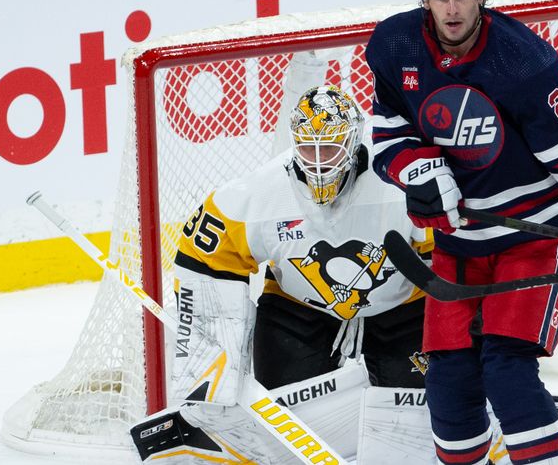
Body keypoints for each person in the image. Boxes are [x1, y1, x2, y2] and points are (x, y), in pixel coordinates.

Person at [365, 0, 558, 464]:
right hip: (459, 243)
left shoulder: (523, 62)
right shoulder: (396, 46)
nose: (451, 7)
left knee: (506, 369)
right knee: (448, 382)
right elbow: (389, 131)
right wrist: (416, 169)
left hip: (534, 235)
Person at [129, 85, 436, 464]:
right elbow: (203, 259)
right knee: (289, 414)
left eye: (331, 147)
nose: (320, 162)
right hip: (298, 305)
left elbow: (449, 258)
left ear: (354, 142)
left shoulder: (398, 179)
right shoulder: (258, 194)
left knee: (420, 412)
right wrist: (216, 367)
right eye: (309, 148)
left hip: (401, 304)